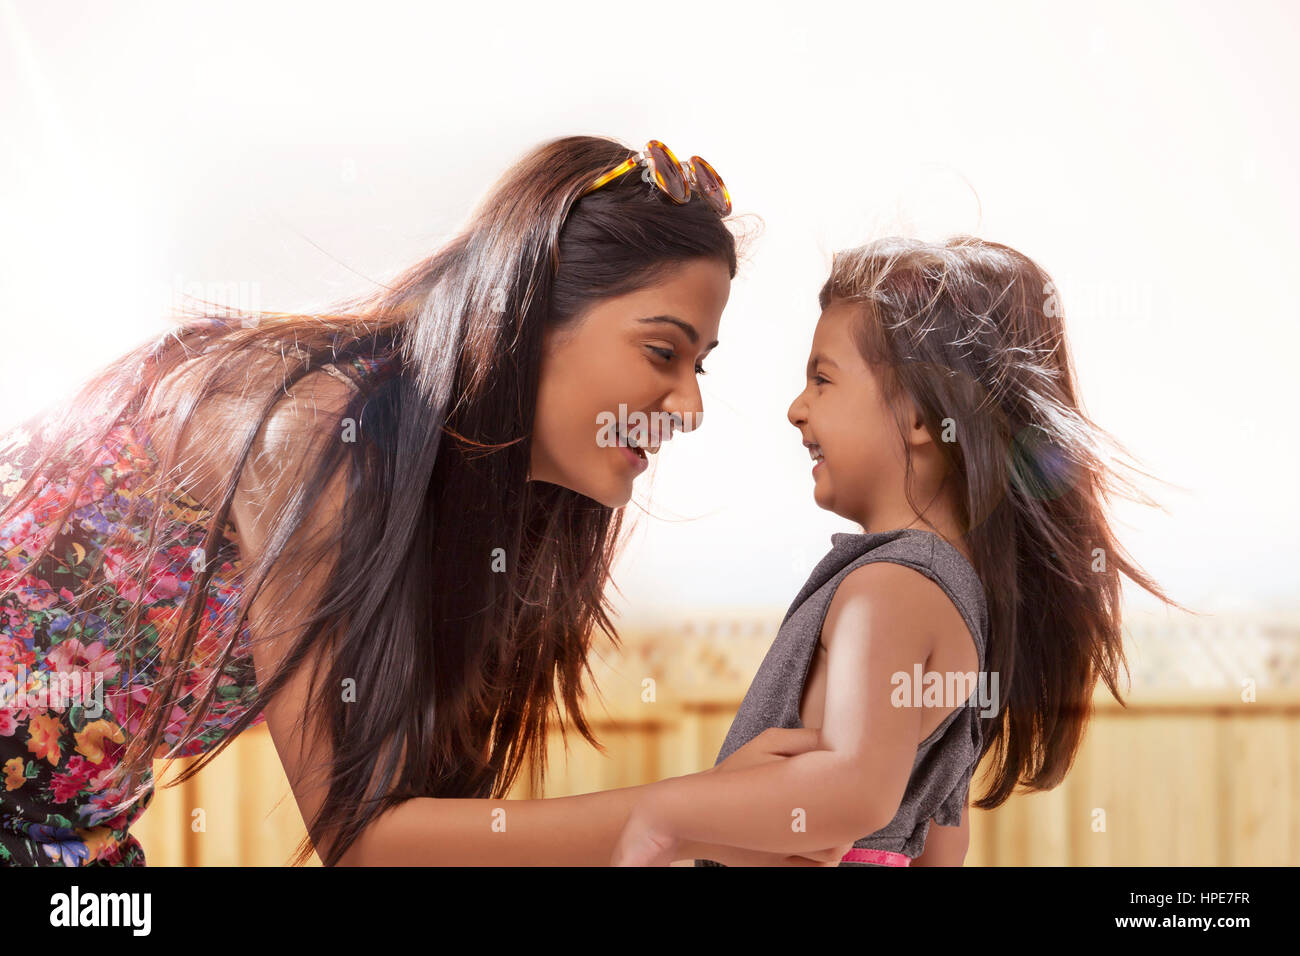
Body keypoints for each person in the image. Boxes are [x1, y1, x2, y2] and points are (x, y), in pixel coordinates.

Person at [0, 134, 850, 867]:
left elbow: (437, 827)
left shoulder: (459, 512)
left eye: (698, 365)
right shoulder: (318, 435)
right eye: (662, 351)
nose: (690, 407)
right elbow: (366, 842)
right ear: (529, 311)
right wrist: (678, 818)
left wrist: (694, 818)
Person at [606, 236, 1193, 866]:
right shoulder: (950, 593)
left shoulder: (893, 590)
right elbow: (944, 835)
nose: (796, 410)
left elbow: (855, 792)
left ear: (919, 416)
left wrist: (665, 822)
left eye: (822, 379)